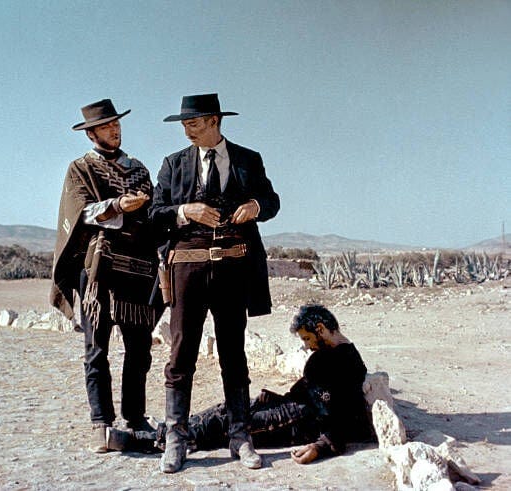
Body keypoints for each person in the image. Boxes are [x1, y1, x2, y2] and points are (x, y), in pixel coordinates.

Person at [149, 93, 280, 472]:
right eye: (185, 125)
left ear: (215, 121)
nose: (187, 130)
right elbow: (156, 214)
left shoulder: (247, 159)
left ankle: (240, 437)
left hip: (233, 271)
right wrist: (183, 211)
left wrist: (256, 207)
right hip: (186, 271)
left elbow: (271, 200)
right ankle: (176, 437)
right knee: (181, 353)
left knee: (233, 354)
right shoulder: (173, 165)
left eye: (193, 123)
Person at [105, 305, 374, 465]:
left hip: (297, 422)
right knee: (226, 411)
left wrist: (321, 446)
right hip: (287, 406)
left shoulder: (345, 362)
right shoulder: (328, 355)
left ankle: (139, 440)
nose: (305, 346)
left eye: (307, 338)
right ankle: (164, 431)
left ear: (321, 328)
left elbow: (341, 415)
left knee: (223, 428)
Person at [50, 99, 161, 453]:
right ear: (92, 133)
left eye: (117, 124)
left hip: (140, 269)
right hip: (98, 270)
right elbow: (80, 211)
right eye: (107, 126)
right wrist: (116, 206)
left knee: (139, 348)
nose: (115, 130)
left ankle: (136, 417)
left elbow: (155, 210)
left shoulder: (139, 169)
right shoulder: (80, 169)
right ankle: (101, 422)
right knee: (97, 349)